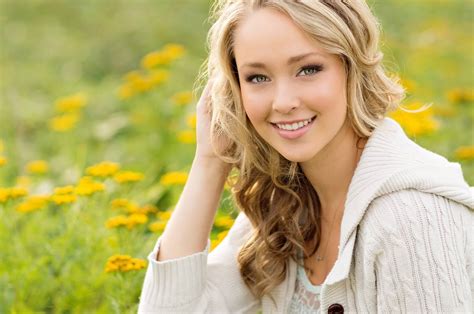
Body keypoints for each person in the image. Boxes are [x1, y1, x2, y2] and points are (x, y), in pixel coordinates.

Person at [138, 0, 474, 313]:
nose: (283, 101)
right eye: (257, 77)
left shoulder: (410, 217)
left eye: (308, 69)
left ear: (351, 66)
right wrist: (210, 160)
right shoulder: (286, 207)